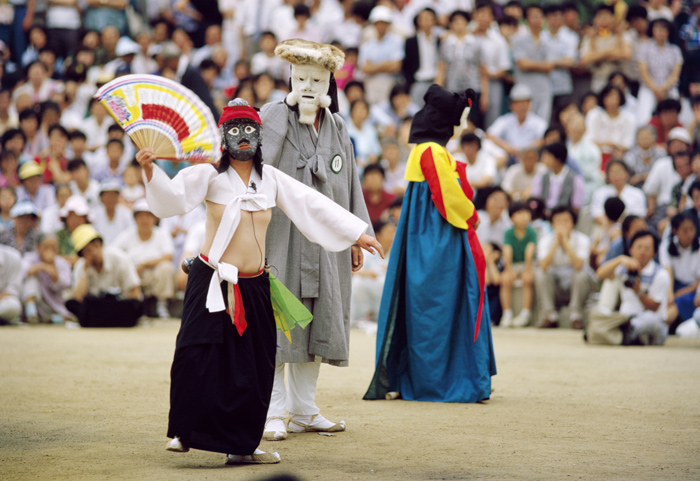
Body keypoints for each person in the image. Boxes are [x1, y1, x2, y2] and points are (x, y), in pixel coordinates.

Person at [136, 98, 382, 463]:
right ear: (224, 136)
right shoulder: (209, 175)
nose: (243, 136)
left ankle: (242, 446)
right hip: (212, 280)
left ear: (260, 135)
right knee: (195, 357)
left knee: (253, 367)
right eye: (234, 130)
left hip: (254, 285)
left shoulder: (271, 180)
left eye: (249, 129)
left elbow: (311, 205)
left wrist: (356, 233)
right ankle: (187, 430)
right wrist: (150, 171)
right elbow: (170, 200)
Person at [260, 39, 374, 441]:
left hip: (326, 243)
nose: (308, 87)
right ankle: (272, 413)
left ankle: (304, 409)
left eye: (316, 79)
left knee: (317, 323)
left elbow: (350, 185)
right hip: (279, 237)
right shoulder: (273, 116)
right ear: (291, 78)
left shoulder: (338, 126)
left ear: (329, 83)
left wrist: (357, 235)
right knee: (276, 324)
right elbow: (253, 166)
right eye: (301, 78)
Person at [365, 85, 496, 403]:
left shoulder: (427, 149)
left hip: (428, 233)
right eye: (461, 119)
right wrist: (471, 217)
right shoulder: (432, 152)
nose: (464, 125)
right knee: (439, 305)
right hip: (438, 235)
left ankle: (440, 376)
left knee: (433, 305)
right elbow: (447, 196)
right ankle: (439, 380)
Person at [593, 230, 669, 345]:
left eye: (647, 248)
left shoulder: (660, 274)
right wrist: (619, 259)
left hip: (650, 323)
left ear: (654, 253)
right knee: (600, 312)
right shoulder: (624, 269)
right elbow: (599, 275)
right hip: (625, 319)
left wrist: (638, 291)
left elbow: (654, 307)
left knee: (650, 319)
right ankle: (624, 335)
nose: (642, 251)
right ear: (631, 250)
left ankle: (615, 333)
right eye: (639, 247)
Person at [65, 223, 144, 328]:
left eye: (95, 246)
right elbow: (78, 298)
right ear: (82, 254)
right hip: (97, 306)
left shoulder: (120, 258)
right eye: (87, 250)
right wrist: (85, 271)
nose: (93, 252)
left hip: (119, 305)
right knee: (71, 303)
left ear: (100, 245)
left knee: (136, 305)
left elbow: (135, 291)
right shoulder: (81, 266)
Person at [112, 199, 176, 320]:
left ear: (155, 219)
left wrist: (145, 263)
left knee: (166, 267)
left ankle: (161, 304)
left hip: (153, 273)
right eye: (141, 216)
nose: (144, 220)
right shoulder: (127, 235)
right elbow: (113, 252)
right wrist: (129, 266)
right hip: (133, 272)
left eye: (148, 216)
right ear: (135, 219)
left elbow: (169, 256)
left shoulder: (162, 234)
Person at [535, 205, 591, 329]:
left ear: (573, 223)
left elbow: (578, 264)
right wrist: (556, 243)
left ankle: (575, 315)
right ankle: (549, 315)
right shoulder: (545, 240)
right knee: (540, 273)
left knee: (581, 274)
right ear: (552, 223)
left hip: (574, 282)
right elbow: (543, 265)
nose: (562, 224)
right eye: (558, 221)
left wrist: (565, 243)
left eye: (566, 221)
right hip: (555, 283)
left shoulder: (583, 239)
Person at [500, 202, 537, 328]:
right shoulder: (508, 233)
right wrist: (508, 269)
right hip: (514, 264)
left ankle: (525, 313)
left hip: (528, 264)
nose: (524, 216)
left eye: (526, 213)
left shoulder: (532, 232)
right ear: (512, 218)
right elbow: (507, 251)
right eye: (519, 213)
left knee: (527, 280)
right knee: (505, 280)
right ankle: (507, 313)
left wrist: (527, 270)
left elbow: (530, 252)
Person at [22, 233, 73, 324]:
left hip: (53, 303)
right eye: (46, 247)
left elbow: (65, 284)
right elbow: (23, 273)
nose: (50, 250)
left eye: (53, 247)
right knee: (31, 280)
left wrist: (53, 268)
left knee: (64, 315)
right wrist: (43, 266)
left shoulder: (62, 263)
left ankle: (50, 319)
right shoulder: (29, 258)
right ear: (38, 247)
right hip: (35, 302)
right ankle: (31, 314)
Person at [660, 211, 700, 323]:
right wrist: (670, 295)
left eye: (692, 229)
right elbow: (668, 273)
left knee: (675, 306)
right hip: (673, 286)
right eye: (685, 230)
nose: (689, 234)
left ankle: (661, 323)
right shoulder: (666, 246)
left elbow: (698, 282)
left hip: (693, 290)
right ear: (674, 231)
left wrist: (677, 295)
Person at [530, 142, 585, 215]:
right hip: (543, 217)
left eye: (547, 157)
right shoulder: (541, 177)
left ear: (558, 159)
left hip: (564, 217)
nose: (543, 160)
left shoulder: (575, 179)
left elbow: (576, 207)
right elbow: (536, 200)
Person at [590, 159, 647, 225]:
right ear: (608, 175)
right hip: (605, 228)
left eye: (619, 171)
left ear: (627, 174)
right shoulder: (600, 193)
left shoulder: (637, 194)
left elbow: (638, 216)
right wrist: (610, 228)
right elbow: (596, 213)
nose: (616, 175)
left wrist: (621, 228)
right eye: (613, 172)